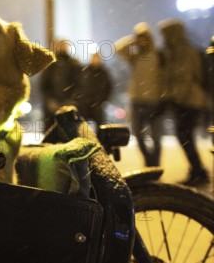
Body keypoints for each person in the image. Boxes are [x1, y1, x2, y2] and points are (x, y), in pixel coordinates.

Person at [158, 19, 209, 185]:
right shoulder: (173, 51)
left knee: (185, 136)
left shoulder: (185, 51)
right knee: (185, 136)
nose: (163, 38)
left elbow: (186, 78)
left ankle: (199, 171)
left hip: (189, 102)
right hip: (184, 101)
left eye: (165, 34)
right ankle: (197, 170)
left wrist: (175, 99)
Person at [115, 23, 163, 167]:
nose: (142, 41)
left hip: (155, 101)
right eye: (139, 38)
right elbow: (118, 47)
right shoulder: (135, 56)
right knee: (138, 135)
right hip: (137, 101)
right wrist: (133, 39)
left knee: (156, 137)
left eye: (144, 38)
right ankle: (149, 162)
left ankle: (155, 164)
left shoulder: (158, 56)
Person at [39, 39, 82, 129]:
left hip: (69, 105)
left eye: (65, 46)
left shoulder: (74, 64)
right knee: (51, 131)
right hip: (52, 107)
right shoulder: (50, 63)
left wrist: (71, 100)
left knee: (69, 131)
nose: (63, 48)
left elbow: (79, 84)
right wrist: (50, 100)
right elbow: (44, 85)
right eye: (61, 45)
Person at [77, 52, 112, 128]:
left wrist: (103, 99)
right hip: (84, 103)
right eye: (94, 58)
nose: (95, 60)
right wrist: (79, 98)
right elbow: (78, 85)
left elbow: (108, 87)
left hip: (97, 103)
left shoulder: (103, 73)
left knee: (100, 125)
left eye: (97, 58)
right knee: (82, 125)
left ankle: (99, 139)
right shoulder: (85, 70)